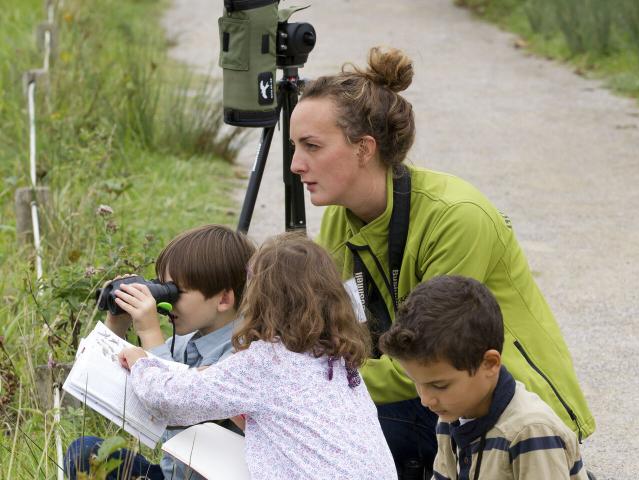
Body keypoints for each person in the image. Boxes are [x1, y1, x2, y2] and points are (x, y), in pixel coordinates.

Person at [289, 46, 594, 476]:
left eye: (312, 146)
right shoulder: (341, 218)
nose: (296, 164)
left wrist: (314, 389)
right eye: (294, 146)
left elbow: (438, 352)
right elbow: (341, 331)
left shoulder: (456, 217)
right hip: (431, 392)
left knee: (336, 438)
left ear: (364, 148)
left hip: (509, 411)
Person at [118, 233, 398, 480]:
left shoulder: (265, 361)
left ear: (258, 299)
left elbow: (168, 400)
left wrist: (143, 361)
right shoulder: (338, 361)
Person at [64, 224, 255, 480]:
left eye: (178, 292)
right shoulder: (188, 338)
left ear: (223, 300)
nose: (167, 301)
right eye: (163, 288)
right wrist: (117, 324)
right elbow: (93, 384)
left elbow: (174, 403)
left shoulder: (245, 352)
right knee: (84, 454)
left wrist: (151, 335)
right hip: (171, 474)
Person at [379, 275, 589, 479]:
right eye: (417, 383)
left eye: (440, 385)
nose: (426, 400)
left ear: (489, 363)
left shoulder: (530, 432)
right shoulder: (451, 415)